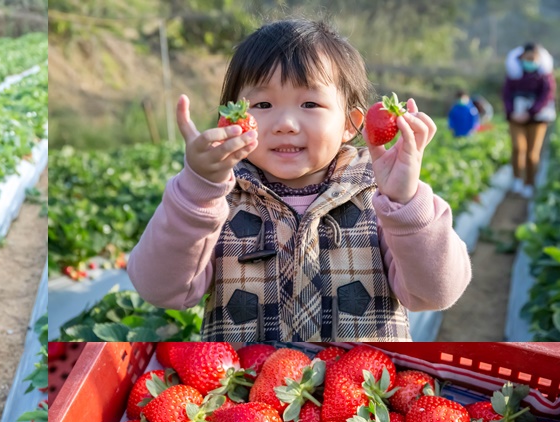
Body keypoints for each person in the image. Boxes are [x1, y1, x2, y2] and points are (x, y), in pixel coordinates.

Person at [126, 19, 471, 342]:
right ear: (232, 116)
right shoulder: (221, 201)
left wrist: (406, 202)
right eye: (262, 103)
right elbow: (161, 289)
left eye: (309, 103)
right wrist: (197, 190)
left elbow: (435, 293)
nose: (286, 123)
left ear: (352, 124)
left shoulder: (379, 199)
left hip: (362, 393)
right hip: (249, 394)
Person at [503, 42, 556, 199]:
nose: (530, 62)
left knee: (532, 154)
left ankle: (530, 183)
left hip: (537, 119)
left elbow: (546, 96)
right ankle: (517, 180)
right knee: (518, 148)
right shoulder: (513, 75)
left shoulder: (544, 76)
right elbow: (506, 95)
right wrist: (512, 112)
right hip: (516, 118)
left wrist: (531, 112)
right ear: (521, 58)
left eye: (533, 59)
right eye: (527, 58)